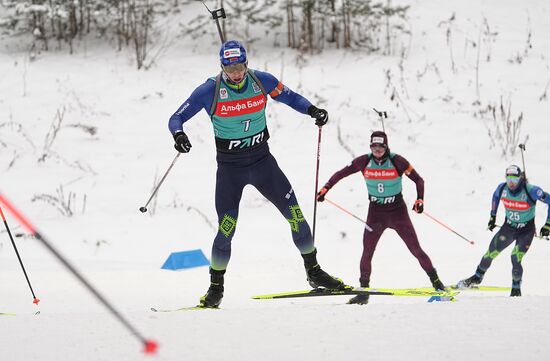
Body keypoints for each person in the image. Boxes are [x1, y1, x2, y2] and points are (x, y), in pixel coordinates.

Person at [168, 40, 346, 308]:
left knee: (296, 215)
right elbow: (175, 118)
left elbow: (291, 97)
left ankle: (314, 271)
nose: (236, 73)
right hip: (230, 169)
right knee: (226, 229)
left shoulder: (261, 81)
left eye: (240, 66)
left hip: (264, 163)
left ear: (246, 63)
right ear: (222, 67)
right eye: (230, 69)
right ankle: (215, 288)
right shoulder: (209, 90)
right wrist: (179, 135)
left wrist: (313, 110)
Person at [316, 131, 445, 305]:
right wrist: (326, 188)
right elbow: (342, 173)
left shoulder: (398, 161)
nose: (377, 150)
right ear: (370, 147)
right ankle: (363, 293)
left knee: (415, 250)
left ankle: (437, 284)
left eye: (381, 146)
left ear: (386, 146)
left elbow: (419, 180)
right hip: (376, 213)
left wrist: (420, 199)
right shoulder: (363, 161)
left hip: (398, 212)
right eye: (374, 146)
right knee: (367, 252)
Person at [457, 165, 550, 296]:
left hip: (526, 231)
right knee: (490, 253)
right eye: (509, 178)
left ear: (520, 178)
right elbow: (495, 197)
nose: (511, 182)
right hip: (509, 228)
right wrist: (492, 216)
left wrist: (547, 225)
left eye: (515, 179)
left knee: (515, 257)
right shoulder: (502, 188)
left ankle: (516, 289)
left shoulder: (531, 190)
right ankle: (477, 277)